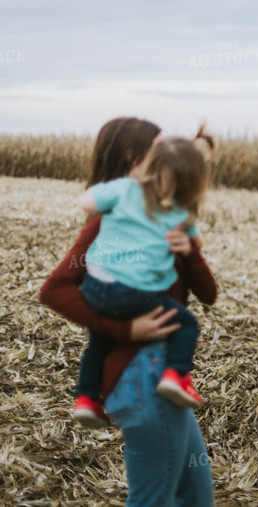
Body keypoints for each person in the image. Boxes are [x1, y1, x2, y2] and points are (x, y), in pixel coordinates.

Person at [40, 117, 216, 506]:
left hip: (167, 382)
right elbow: (55, 289)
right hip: (141, 378)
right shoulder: (108, 222)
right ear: (135, 160)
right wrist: (126, 330)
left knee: (196, 497)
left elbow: (207, 294)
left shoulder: (170, 219)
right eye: (159, 150)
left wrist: (192, 253)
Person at [74, 126, 213, 419]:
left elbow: (87, 201)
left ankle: (85, 399)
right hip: (133, 292)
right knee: (186, 324)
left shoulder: (124, 189)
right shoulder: (179, 212)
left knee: (97, 343)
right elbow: (198, 245)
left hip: (95, 285)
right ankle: (176, 376)